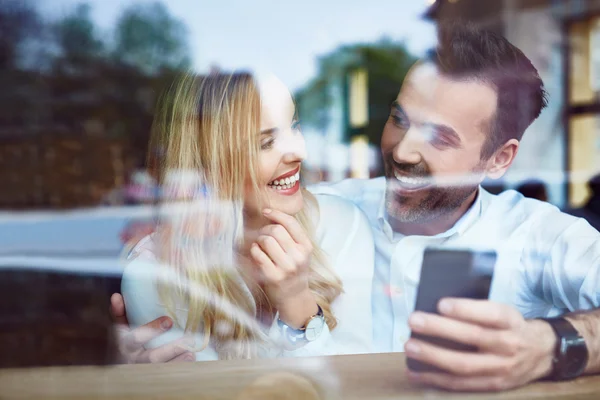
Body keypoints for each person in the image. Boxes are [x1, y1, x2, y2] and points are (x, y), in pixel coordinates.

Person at [112, 24, 600, 391]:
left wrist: (551, 346)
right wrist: (140, 360)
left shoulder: (538, 235)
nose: (405, 151)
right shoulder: (331, 211)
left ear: (498, 159)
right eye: (399, 119)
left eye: (440, 138)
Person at [117, 72, 374, 362]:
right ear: (207, 165)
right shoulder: (156, 275)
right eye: (265, 143)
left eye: (295, 127)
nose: (300, 152)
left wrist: (298, 307)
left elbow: (356, 382)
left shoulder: (340, 225)